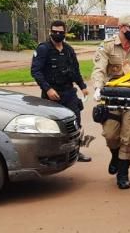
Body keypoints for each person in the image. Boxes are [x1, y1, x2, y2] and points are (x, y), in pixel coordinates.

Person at [91, 15, 130, 189]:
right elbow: (99, 69)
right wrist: (97, 88)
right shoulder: (107, 46)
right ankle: (115, 155)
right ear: (122, 27)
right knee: (111, 135)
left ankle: (123, 173)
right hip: (112, 97)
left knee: (128, 136)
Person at [31, 20, 91, 162]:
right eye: (54, 31)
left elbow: (75, 70)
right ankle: (49, 155)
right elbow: (36, 71)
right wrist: (48, 89)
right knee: (50, 126)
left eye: (60, 32)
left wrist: (82, 86)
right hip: (51, 94)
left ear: (65, 33)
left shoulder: (69, 50)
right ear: (50, 32)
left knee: (75, 123)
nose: (57, 34)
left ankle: (75, 152)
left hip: (69, 93)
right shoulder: (43, 49)